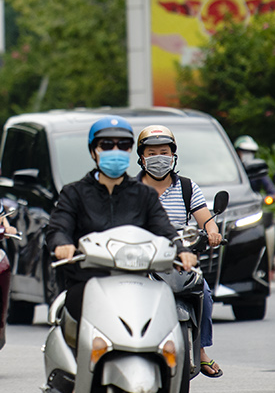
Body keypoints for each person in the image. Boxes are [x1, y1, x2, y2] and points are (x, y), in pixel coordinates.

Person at [48, 117, 180, 332]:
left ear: (130, 151)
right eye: (107, 145)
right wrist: (62, 244)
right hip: (87, 281)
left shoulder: (144, 194)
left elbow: (163, 228)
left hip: (137, 281)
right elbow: (58, 228)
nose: (116, 150)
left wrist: (181, 249)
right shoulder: (74, 193)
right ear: (93, 151)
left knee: (166, 319)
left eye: (124, 145)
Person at [135, 124, 224, 378]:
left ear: (173, 155)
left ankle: (202, 350)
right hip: (142, 259)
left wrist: (213, 231)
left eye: (163, 152)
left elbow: (205, 219)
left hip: (181, 257)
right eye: (151, 153)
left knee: (204, 292)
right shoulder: (131, 189)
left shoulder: (187, 187)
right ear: (141, 158)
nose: (158, 158)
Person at [234, 135, 275, 200]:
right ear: (236, 151)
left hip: (252, 203)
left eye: (251, 152)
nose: (248, 154)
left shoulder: (256, 169)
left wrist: (264, 198)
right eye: (244, 151)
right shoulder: (230, 170)